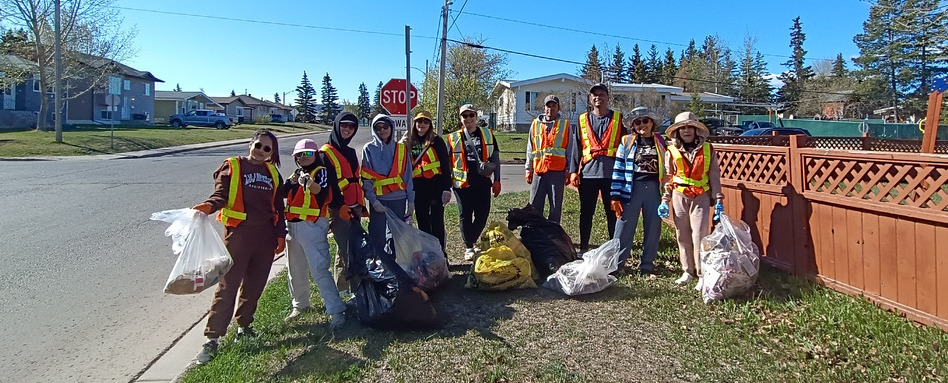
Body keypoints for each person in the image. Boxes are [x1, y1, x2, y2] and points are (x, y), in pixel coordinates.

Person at [190, 130, 285, 364]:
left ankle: (244, 327)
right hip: (238, 235)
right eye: (258, 145)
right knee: (228, 286)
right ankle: (212, 338)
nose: (261, 151)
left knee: (255, 285)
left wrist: (280, 235)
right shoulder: (232, 166)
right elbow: (220, 196)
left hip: (265, 236)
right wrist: (207, 207)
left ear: (272, 153)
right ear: (250, 144)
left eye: (267, 149)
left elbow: (278, 208)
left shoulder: (272, 173)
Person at [282, 139, 346, 329]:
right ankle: (300, 305)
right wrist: (291, 182)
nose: (303, 157)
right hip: (292, 227)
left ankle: (336, 310)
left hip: (312, 227)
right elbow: (283, 193)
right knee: (295, 269)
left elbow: (323, 193)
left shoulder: (321, 172)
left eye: (308, 154)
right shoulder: (296, 173)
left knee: (319, 269)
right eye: (299, 155)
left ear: (316, 155)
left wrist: (309, 183)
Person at [658, 112, 724, 287]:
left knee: (700, 235)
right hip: (679, 196)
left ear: (696, 130)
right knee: (682, 235)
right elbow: (668, 176)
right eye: (682, 128)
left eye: (690, 127)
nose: (686, 131)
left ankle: (702, 274)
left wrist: (718, 199)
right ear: (677, 132)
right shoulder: (671, 150)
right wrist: (665, 199)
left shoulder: (708, 149)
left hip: (700, 197)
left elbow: (714, 176)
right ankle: (687, 271)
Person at [610, 107, 668, 275]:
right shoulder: (627, 142)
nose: (642, 125)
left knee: (653, 227)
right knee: (624, 226)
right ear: (633, 126)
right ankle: (617, 264)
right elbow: (618, 168)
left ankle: (647, 265)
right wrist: (615, 195)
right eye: (637, 122)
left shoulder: (661, 142)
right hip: (631, 188)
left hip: (653, 189)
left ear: (652, 123)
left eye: (645, 121)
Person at [318, 112, 365, 300]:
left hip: (355, 206)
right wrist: (340, 205)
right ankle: (349, 288)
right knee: (346, 248)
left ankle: (346, 285)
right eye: (344, 125)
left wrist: (358, 205)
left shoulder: (351, 151)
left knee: (350, 247)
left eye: (352, 127)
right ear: (337, 126)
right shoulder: (325, 152)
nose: (347, 129)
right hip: (339, 208)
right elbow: (328, 184)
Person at [446, 104, 501, 260]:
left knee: (482, 213)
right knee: (465, 213)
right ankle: (469, 246)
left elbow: (495, 157)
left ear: (476, 117)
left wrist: (497, 179)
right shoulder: (453, 137)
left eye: (471, 115)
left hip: (482, 180)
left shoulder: (488, 134)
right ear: (460, 119)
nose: (468, 119)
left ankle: (471, 239)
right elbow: (447, 162)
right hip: (462, 182)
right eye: (465, 116)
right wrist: (446, 185)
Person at [574, 83, 623, 254]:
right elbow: (577, 147)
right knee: (586, 213)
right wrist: (574, 171)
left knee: (613, 213)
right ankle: (584, 247)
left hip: (612, 175)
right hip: (588, 175)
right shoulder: (582, 120)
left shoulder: (619, 119)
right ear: (590, 98)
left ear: (608, 97)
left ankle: (613, 249)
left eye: (602, 94)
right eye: (594, 95)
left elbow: (626, 146)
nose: (598, 98)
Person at [361, 114, 414, 251]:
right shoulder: (368, 149)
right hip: (379, 200)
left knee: (396, 237)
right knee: (377, 236)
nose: (382, 130)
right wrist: (373, 201)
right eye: (378, 127)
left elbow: (407, 177)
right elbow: (366, 178)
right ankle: (380, 267)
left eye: (386, 126)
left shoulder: (401, 149)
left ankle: (393, 268)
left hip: (399, 199)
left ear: (391, 127)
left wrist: (411, 202)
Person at [402, 110, 452, 252]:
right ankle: (429, 254)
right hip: (417, 188)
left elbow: (445, 166)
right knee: (423, 222)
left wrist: (446, 189)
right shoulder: (409, 142)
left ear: (430, 124)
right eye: (419, 121)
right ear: (415, 123)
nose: (422, 124)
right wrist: (402, 143)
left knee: (436, 222)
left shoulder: (437, 141)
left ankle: (441, 254)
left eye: (425, 121)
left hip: (435, 188)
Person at [525, 95, 576, 224]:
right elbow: (530, 148)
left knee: (555, 207)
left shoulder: (565, 125)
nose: (551, 109)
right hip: (539, 171)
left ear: (558, 108)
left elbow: (570, 149)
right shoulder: (535, 125)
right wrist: (528, 169)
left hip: (557, 172)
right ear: (544, 107)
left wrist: (569, 171)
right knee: (534, 205)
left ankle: (553, 236)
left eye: (554, 106)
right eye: (548, 106)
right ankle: (534, 233)